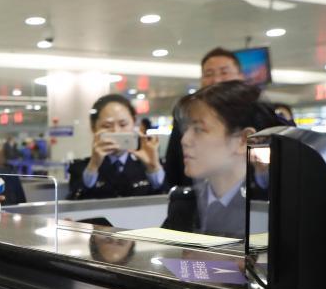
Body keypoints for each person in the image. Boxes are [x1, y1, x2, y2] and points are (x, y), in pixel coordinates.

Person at [162, 81, 280, 239]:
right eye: (186, 129)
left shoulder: (268, 210)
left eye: (199, 129)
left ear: (244, 140)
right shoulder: (184, 204)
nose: (185, 140)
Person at [164, 47, 244, 190]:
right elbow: (174, 161)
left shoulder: (256, 112)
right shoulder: (186, 113)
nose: (216, 80)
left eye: (224, 72)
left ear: (240, 76)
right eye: (209, 74)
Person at [67, 94, 163, 200]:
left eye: (123, 124)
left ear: (134, 123)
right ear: (93, 127)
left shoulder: (147, 164)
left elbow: (165, 197)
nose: (116, 131)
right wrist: (93, 165)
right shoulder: (81, 168)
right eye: (107, 126)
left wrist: (153, 168)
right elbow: (76, 198)